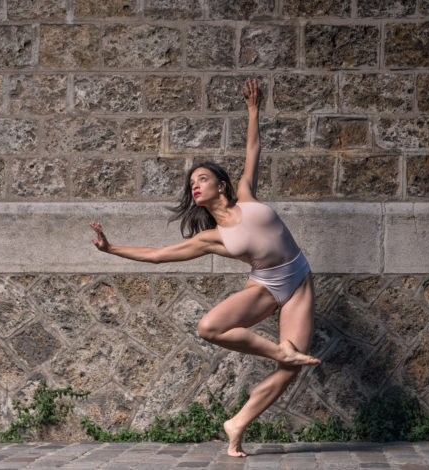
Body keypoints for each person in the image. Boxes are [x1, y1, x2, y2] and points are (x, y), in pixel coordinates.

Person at [89, 78, 320, 457]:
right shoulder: (212, 238)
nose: (195, 185)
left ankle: (238, 423)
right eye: (191, 183)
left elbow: (253, 148)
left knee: (292, 367)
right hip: (266, 285)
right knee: (210, 328)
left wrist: (253, 110)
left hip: (299, 282)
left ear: (222, 185)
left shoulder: (246, 196)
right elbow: (158, 255)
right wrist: (111, 248)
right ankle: (278, 352)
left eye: (202, 178)